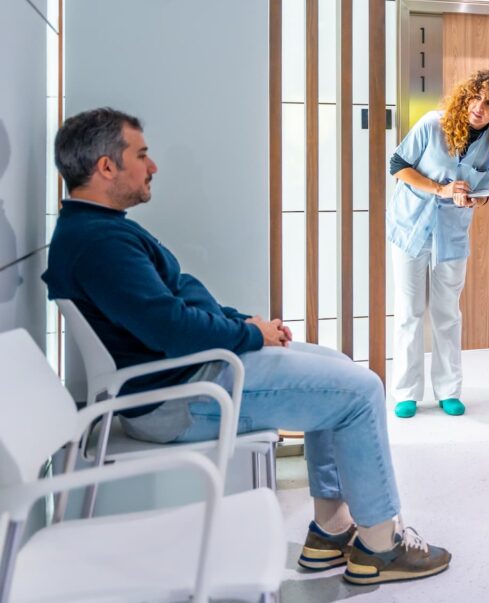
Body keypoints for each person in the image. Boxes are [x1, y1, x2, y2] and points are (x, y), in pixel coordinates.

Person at [42, 108, 451, 585]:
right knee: (359, 391)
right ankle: (381, 545)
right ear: (106, 167)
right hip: (183, 395)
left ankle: (330, 533)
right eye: (142, 154)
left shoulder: (98, 229)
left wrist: (246, 324)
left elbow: (176, 308)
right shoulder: (100, 244)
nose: (153, 167)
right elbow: (172, 329)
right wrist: (252, 334)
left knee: (340, 368)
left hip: (194, 371)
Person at [386, 70, 489, 419]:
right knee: (409, 313)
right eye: (476, 97)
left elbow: (483, 185)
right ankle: (406, 392)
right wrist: (440, 189)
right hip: (411, 227)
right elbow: (397, 165)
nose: (479, 106)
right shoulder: (433, 124)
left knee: (447, 314)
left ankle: (448, 390)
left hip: (452, 235)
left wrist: (476, 199)